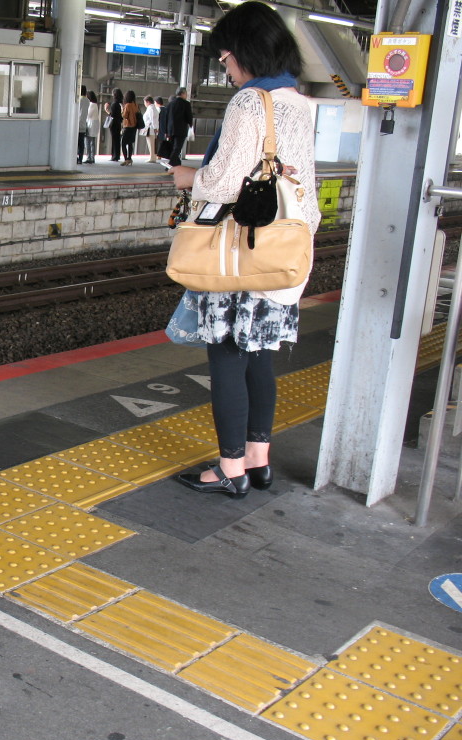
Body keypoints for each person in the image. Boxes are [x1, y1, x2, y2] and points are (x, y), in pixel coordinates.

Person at [168, 0, 320, 498]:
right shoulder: (300, 103)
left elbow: (224, 182)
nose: (227, 69)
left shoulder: (250, 103)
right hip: (283, 252)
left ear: (246, 53)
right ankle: (259, 461)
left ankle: (230, 469)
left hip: (240, 252)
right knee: (260, 357)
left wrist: (187, 177)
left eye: (228, 58)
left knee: (227, 354)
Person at [167, 87, 194, 166]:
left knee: (173, 147)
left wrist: (166, 130)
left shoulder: (170, 104)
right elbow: (189, 117)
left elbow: (166, 117)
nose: (186, 95)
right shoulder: (186, 104)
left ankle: (177, 164)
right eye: (186, 93)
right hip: (181, 129)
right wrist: (191, 124)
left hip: (170, 129)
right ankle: (170, 164)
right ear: (183, 94)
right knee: (177, 148)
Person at [120, 90, 139, 166]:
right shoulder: (135, 105)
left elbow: (124, 116)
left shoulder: (127, 105)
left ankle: (126, 159)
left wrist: (122, 109)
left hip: (127, 126)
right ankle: (130, 158)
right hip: (134, 126)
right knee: (130, 143)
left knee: (123, 143)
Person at [106, 89, 123, 162]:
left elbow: (112, 115)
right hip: (118, 124)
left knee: (114, 140)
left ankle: (114, 156)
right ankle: (117, 155)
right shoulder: (120, 104)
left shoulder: (114, 104)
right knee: (117, 140)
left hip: (114, 124)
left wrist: (107, 110)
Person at [141, 95, 159, 163]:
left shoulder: (151, 108)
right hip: (151, 128)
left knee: (151, 144)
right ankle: (153, 157)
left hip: (151, 129)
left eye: (145, 102)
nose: (144, 104)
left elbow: (152, 119)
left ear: (148, 102)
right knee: (152, 143)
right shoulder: (153, 108)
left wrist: (155, 128)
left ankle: (152, 158)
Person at [84, 91, 100, 163]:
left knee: (88, 141)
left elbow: (88, 115)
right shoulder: (95, 104)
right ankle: (92, 157)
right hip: (95, 123)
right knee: (92, 142)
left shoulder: (91, 105)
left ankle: (89, 157)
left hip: (91, 124)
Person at [77, 86, 91, 163]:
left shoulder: (79, 100)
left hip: (77, 123)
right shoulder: (88, 101)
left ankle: (75, 157)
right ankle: (80, 158)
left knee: (75, 143)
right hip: (83, 124)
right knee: (81, 143)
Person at [157, 96, 172, 162]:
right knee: (163, 142)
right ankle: (161, 155)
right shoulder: (166, 109)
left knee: (160, 142)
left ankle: (159, 155)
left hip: (160, 129)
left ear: (156, 102)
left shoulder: (159, 110)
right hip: (166, 128)